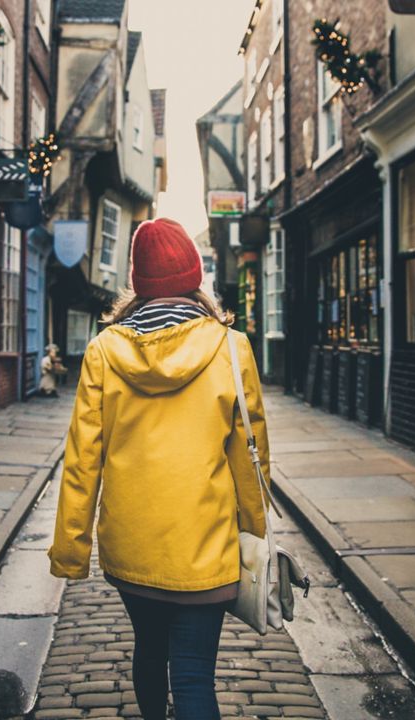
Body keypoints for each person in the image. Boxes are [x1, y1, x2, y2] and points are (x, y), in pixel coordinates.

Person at [47, 218, 271, 720]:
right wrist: (254, 533)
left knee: (149, 652)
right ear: (194, 277)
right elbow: (251, 457)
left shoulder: (105, 351)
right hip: (206, 544)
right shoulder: (231, 349)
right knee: (193, 674)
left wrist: (71, 549)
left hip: (134, 544)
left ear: (138, 284)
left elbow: (83, 460)